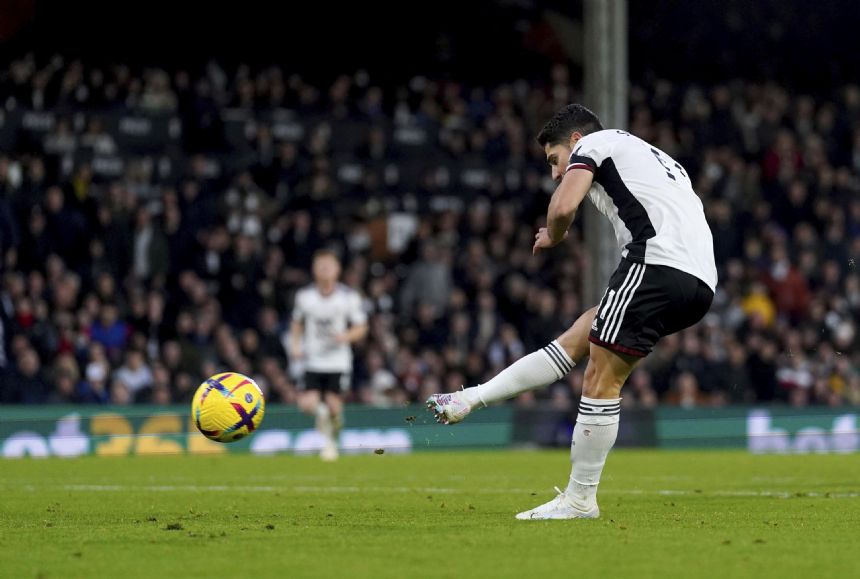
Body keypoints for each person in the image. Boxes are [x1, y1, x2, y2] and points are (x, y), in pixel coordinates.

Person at [427, 104, 717, 520]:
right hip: (701, 282)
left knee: (601, 376)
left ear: (575, 141)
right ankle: (469, 398)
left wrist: (553, 235)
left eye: (554, 160)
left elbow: (562, 208)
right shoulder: (658, 158)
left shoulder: (594, 144)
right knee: (580, 335)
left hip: (657, 263)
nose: (554, 172)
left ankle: (580, 500)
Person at [289, 250, 368, 461]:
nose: (324, 269)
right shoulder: (304, 297)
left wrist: (346, 336)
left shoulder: (348, 297)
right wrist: (295, 345)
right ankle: (323, 420)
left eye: (328, 265)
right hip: (313, 360)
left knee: (334, 407)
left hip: (337, 361)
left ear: (337, 269)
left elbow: (361, 327)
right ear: (314, 270)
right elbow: (297, 323)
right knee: (306, 405)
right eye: (320, 265)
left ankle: (331, 442)